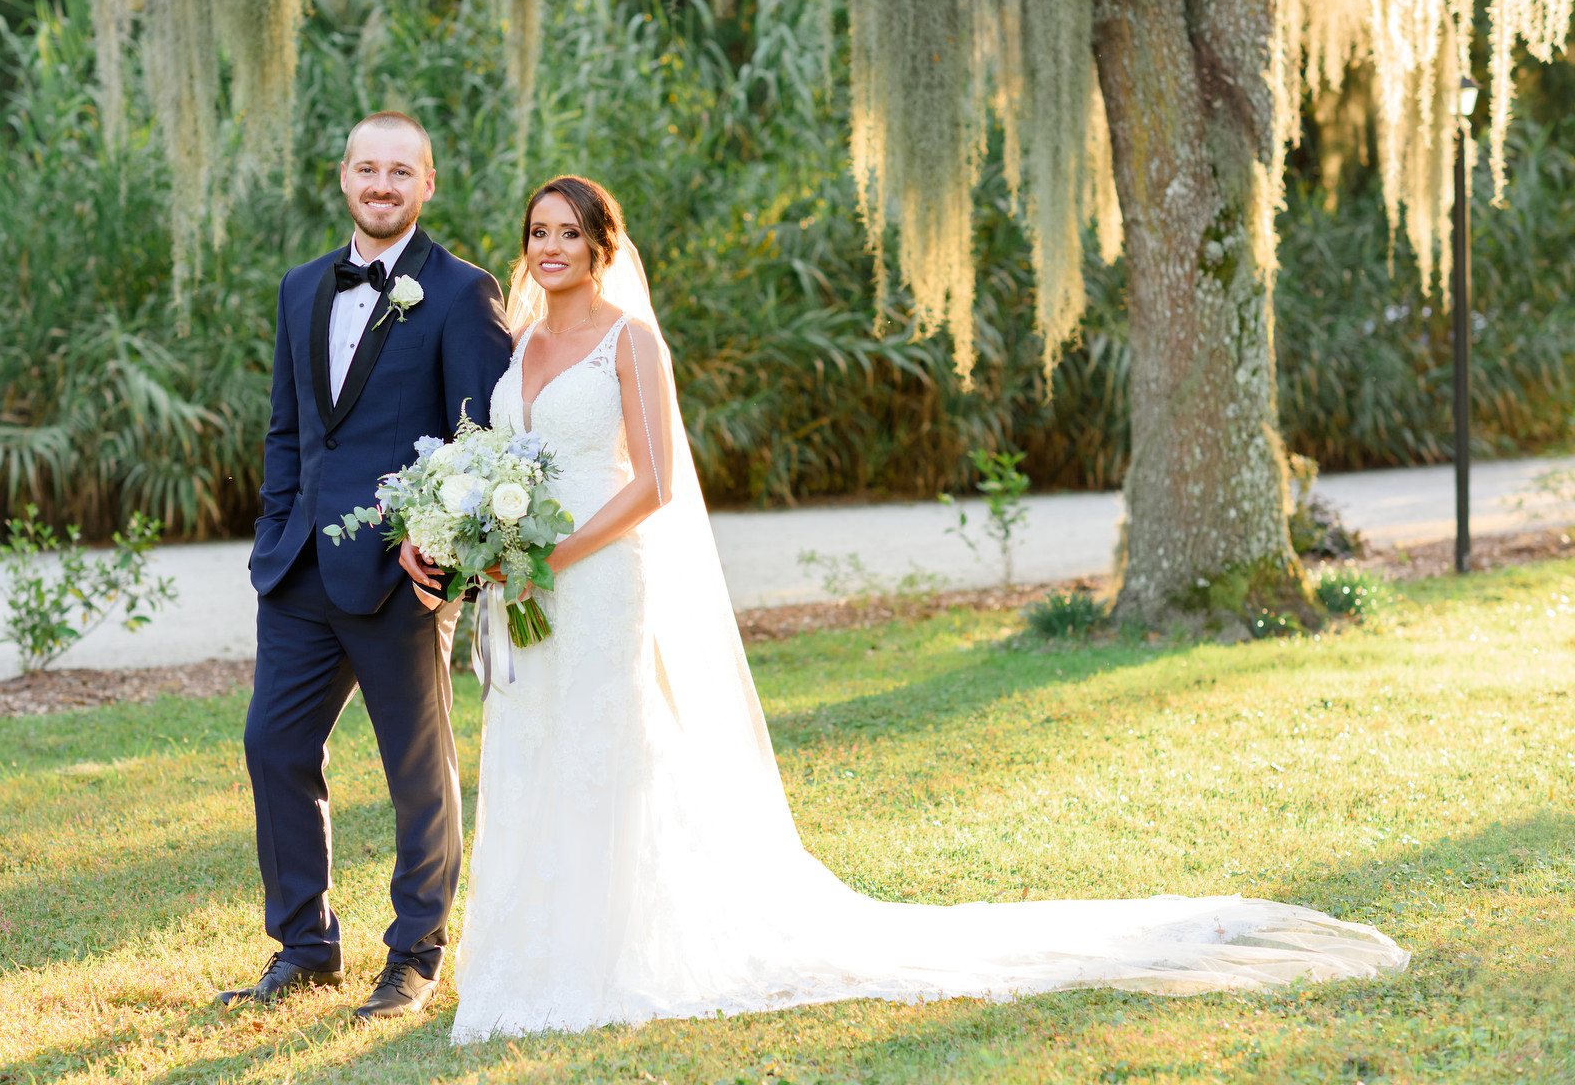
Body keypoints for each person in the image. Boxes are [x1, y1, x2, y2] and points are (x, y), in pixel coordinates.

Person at [446, 176, 1409, 1042]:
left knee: (604, 752)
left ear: (603, 246)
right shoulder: (525, 340)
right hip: (525, 587)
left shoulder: (632, 339)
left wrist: (555, 553)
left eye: (569, 233)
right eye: (537, 232)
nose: (548, 249)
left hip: (602, 575)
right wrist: (495, 549)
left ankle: (610, 955)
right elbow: (505, 463)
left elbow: (655, 482)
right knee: (533, 744)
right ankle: (530, 949)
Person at [223, 113, 510, 1020]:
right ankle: (305, 947)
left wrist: (448, 556)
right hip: (299, 571)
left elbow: (485, 442)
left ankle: (414, 955)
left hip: (402, 576)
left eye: (401, 172)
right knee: (273, 746)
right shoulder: (302, 286)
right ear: (343, 177)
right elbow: (287, 427)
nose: (381, 186)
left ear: (427, 184)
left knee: (415, 770)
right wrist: (276, 527)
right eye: (366, 170)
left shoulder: (462, 293)